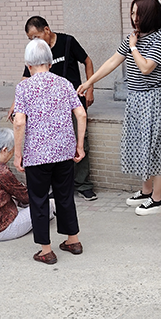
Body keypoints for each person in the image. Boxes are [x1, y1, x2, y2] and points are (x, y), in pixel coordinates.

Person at [77, 0, 161, 216]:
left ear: (150, 14)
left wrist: (133, 47)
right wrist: (89, 82)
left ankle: (157, 199)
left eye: (138, 14)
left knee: (155, 148)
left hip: (155, 101)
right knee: (141, 146)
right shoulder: (135, 37)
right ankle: (146, 191)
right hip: (136, 99)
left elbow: (146, 68)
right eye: (132, 13)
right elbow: (112, 61)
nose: (134, 18)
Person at [13, 38, 86, 265]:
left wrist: (18, 154)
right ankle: (73, 240)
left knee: (39, 199)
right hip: (64, 151)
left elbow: (19, 122)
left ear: (28, 65)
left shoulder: (24, 87)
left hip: (36, 155)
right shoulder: (64, 83)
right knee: (65, 195)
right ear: (50, 63)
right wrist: (79, 146)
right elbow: (81, 114)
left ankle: (46, 250)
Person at [9, 16, 97, 201]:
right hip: (49, 108)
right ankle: (56, 186)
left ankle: (83, 184)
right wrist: (15, 105)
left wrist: (90, 88)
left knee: (82, 142)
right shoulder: (37, 53)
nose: (34, 41)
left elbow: (87, 61)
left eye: (36, 36)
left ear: (47, 30)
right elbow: (26, 78)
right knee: (52, 144)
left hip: (72, 101)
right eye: (30, 39)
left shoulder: (68, 42)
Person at [0, 128, 57, 241]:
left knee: (14, 199)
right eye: (12, 150)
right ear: (4, 150)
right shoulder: (1, 171)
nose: (12, 154)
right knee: (46, 205)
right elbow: (25, 197)